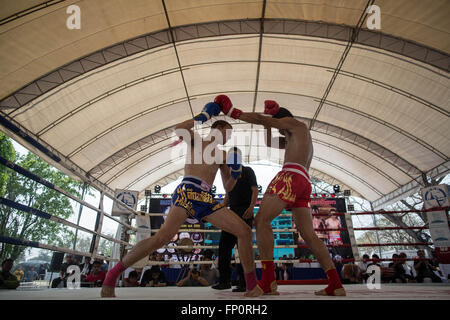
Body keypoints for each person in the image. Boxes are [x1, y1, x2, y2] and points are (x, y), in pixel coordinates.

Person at [101, 102, 257, 297]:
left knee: (243, 230)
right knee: (162, 238)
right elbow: (180, 129)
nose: (229, 138)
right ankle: (112, 277)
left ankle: (252, 286)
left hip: (207, 198)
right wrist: (202, 117)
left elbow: (227, 188)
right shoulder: (198, 140)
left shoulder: (224, 155)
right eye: (228, 133)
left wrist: (235, 173)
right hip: (188, 190)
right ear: (218, 129)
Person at [214, 95, 345, 296]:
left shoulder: (296, 124)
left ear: (284, 120)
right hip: (304, 182)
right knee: (309, 236)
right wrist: (269, 122)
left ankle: (268, 281)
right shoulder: (297, 137)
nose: (280, 130)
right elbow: (269, 142)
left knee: (262, 220)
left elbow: (268, 121)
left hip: (290, 177)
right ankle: (335, 284)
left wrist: (233, 113)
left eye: (280, 126)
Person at [212, 148, 258, 292]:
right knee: (224, 247)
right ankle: (225, 281)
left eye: (235, 155)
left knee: (242, 248)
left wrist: (251, 208)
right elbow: (228, 195)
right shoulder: (229, 175)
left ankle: (244, 282)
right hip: (232, 212)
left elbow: (255, 190)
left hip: (245, 211)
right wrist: (219, 210)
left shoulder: (247, 170)